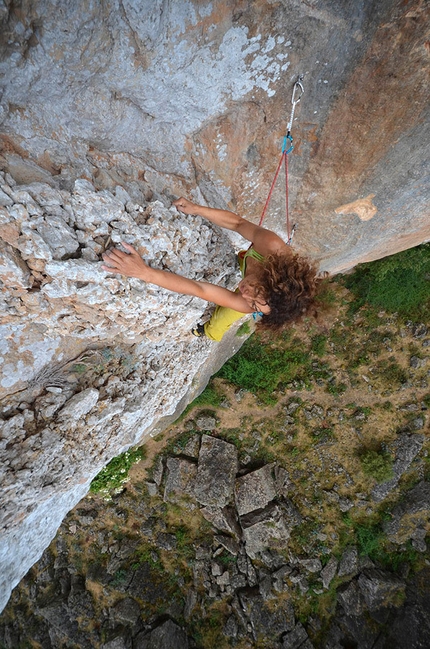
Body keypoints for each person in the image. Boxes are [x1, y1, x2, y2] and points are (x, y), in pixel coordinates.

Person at [101, 197, 320, 341]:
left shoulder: (249, 303)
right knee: (242, 267)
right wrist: (196, 209)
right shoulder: (272, 247)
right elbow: (238, 224)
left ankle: (207, 332)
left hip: (253, 268)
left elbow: (200, 290)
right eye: (257, 293)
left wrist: (144, 273)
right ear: (273, 279)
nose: (246, 295)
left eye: (255, 305)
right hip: (256, 261)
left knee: (224, 318)